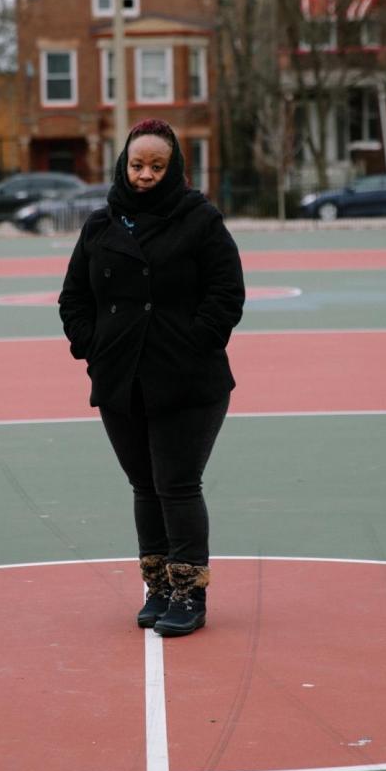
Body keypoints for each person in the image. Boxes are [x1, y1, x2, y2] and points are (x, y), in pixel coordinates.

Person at [58, 119, 245, 637]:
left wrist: (193, 342)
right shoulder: (101, 224)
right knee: (144, 485)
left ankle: (189, 592)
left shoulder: (200, 220)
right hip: (121, 380)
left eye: (156, 166)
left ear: (173, 168)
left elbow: (226, 294)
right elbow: (73, 297)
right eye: (137, 165)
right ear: (124, 165)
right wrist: (92, 348)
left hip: (188, 381)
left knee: (177, 485)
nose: (145, 175)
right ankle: (158, 585)